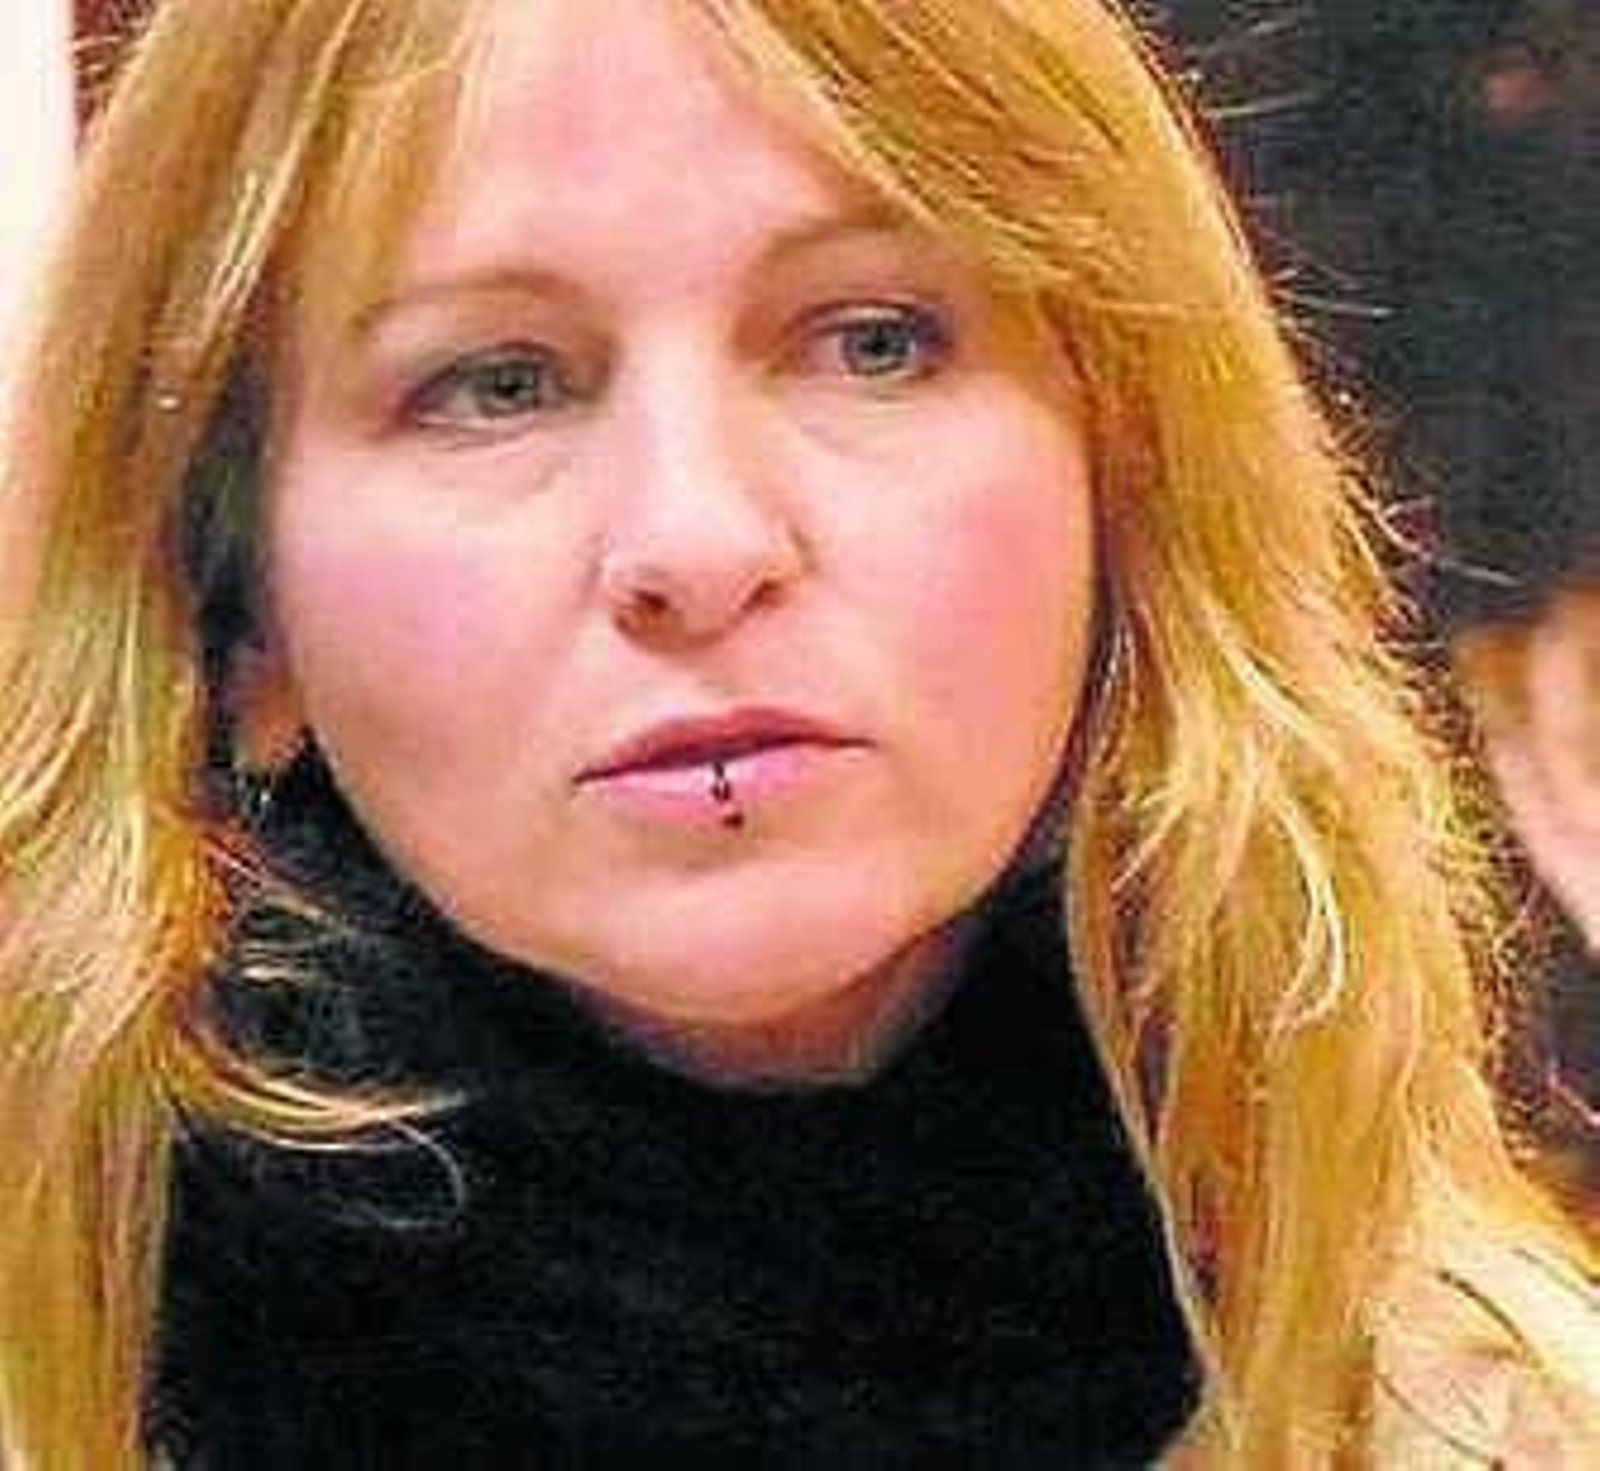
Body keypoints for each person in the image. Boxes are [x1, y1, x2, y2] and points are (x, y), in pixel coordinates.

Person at [1, 1, 1597, 1465]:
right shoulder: (54, 1370)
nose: (697, 541)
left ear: (1124, 486)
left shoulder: (1482, 1421)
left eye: (871, 339)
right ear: (236, 606)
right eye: (497, 384)